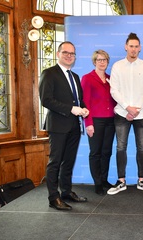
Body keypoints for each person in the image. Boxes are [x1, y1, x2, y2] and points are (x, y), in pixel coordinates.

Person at [39, 41, 89, 210]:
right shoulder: (49, 73)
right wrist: (71, 109)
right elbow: (46, 100)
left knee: (68, 162)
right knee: (55, 162)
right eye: (66, 52)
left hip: (74, 125)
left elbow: (78, 100)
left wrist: (83, 109)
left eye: (72, 53)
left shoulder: (74, 76)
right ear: (58, 54)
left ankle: (66, 192)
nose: (69, 56)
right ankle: (54, 198)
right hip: (58, 126)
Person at [107, 32, 143, 195]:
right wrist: (128, 108)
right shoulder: (117, 66)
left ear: (140, 48)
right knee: (121, 147)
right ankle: (121, 181)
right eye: (131, 46)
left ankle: (142, 180)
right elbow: (114, 90)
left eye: (136, 46)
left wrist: (136, 109)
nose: (133, 49)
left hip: (141, 114)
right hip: (122, 113)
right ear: (125, 47)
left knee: (142, 147)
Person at [81, 50, 117, 196]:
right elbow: (85, 102)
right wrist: (88, 123)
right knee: (95, 152)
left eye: (105, 60)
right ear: (94, 61)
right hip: (95, 120)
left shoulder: (111, 79)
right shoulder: (87, 78)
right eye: (99, 60)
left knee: (106, 152)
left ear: (108, 62)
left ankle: (104, 179)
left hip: (111, 120)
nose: (102, 62)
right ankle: (97, 183)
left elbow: (115, 99)